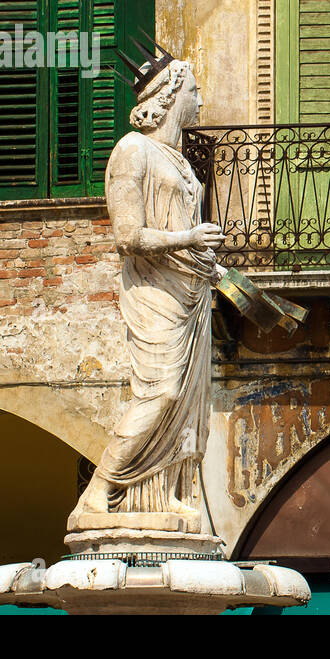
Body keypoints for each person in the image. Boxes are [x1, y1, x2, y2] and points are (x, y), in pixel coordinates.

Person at [69, 59, 226, 529]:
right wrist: (190, 240)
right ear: (171, 95)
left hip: (192, 290)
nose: (200, 100)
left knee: (187, 403)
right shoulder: (132, 150)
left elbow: (179, 226)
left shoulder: (182, 160)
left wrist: (209, 265)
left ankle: (165, 495)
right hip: (153, 289)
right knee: (161, 391)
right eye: (194, 91)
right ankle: (99, 491)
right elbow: (127, 235)